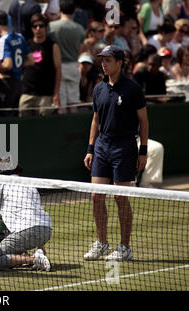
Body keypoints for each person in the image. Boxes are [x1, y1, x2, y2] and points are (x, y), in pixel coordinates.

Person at [83, 45, 149, 262]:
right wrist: (90, 149)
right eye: (102, 60)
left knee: (120, 197)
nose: (103, 63)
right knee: (96, 196)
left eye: (108, 60)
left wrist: (143, 151)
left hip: (124, 148)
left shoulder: (132, 89)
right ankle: (102, 242)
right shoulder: (99, 88)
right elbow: (95, 120)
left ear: (120, 63)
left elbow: (144, 121)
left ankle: (125, 247)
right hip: (102, 146)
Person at [0, 157, 52, 271]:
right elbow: (35, 213)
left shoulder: (0, 181)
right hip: (46, 230)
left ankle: (34, 259)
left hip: (27, 232)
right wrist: (41, 245)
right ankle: (37, 252)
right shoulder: (30, 184)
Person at [0, 9, 34, 117]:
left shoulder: (4, 39)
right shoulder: (20, 37)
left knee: (3, 120)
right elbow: (31, 61)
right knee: (14, 117)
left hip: (6, 84)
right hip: (18, 83)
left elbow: (7, 65)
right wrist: (18, 66)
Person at [19, 13, 62, 117]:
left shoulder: (52, 45)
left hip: (45, 94)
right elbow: (20, 66)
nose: (38, 28)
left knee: (44, 124)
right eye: (35, 26)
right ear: (32, 28)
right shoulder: (26, 45)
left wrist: (56, 93)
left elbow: (58, 70)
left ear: (46, 27)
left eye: (41, 26)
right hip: (27, 92)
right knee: (23, 122)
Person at [48, 0, 86, 114]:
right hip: (74, 65)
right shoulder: (80, 29)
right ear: (74, 11)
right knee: (73, 102)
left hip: (59, 67)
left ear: (60, 10)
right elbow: (80, 50)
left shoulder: (51, 27)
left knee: (61, 102)